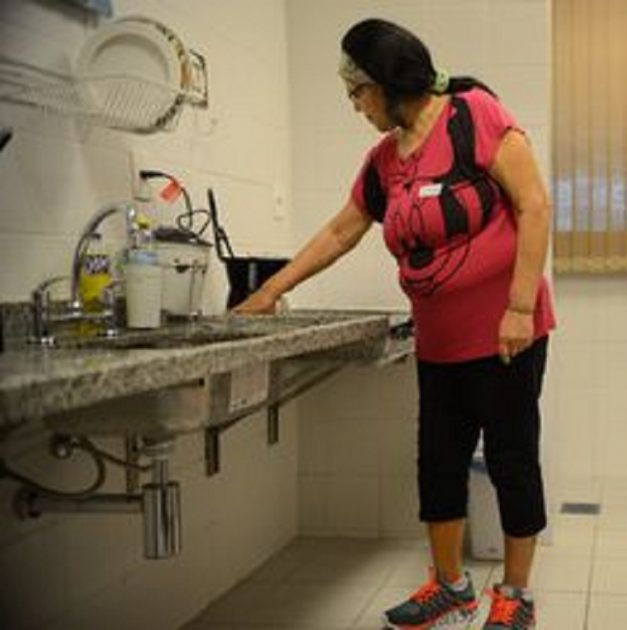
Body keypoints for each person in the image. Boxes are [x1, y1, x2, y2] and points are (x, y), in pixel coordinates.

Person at [233, 18, 555, 630]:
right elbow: (340, 231)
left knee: (512, 460)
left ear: (385, 82)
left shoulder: (473, 114)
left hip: (507, 336)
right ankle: (452, 589)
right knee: (438, 464)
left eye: (357, 92)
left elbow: (533, 204)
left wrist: (518, 307)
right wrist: (271, 290)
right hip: (439, 344)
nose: (355, 106)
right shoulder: (383, 161)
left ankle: (516, 595)